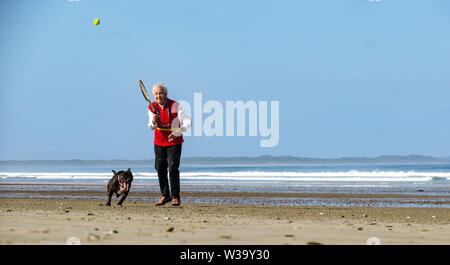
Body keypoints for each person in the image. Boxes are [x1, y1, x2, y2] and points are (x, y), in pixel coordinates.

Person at [148, 83, 191, 206]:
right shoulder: (151, 108)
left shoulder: (175, 105)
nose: (158, 95)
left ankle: (175, 197)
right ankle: (165, 195)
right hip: (159, 140)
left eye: (160, 93)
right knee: (160, 168)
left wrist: (179, 131)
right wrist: (153, 121)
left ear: (165, 94)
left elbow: (188, 121)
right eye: (156, 94)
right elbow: (151, 127)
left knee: (173, 168)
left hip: (174, 140)